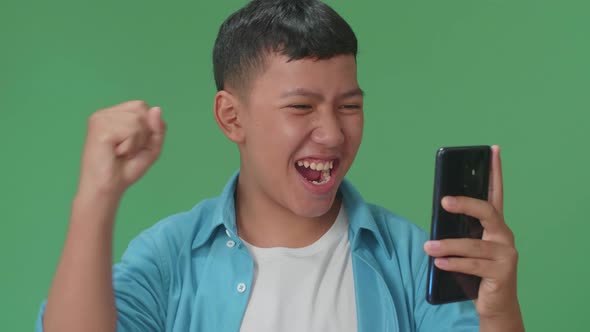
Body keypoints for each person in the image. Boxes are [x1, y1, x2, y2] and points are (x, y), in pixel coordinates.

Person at [36, 0, 524, 331]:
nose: (333, 133)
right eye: (301, 107)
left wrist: (500, 310)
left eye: (349, 106)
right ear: (232, 117)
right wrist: (95, 200)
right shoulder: (170, 257)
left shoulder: (415, 262)